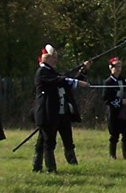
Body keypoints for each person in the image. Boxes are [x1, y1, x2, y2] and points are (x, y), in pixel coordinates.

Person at [32, 45, 87, 173]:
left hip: (56, 113)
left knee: (44, 141)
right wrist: (78, 83)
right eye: (53, 57)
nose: (55, 60)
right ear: (46, 58)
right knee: (48, 142)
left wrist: (83, 70)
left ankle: (38, 167)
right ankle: (50, 169)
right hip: (46, 113)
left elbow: (65, 81)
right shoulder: (42, 72)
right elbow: (60, 81)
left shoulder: (51, 72)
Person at [103, 56, 126, 159]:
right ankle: (112, 155)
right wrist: (120, 102)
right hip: (114, 111)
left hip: (125, 110)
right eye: (116, 66)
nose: (118, 69)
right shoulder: (108, 82)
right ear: (110, 67)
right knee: (114, 133)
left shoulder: (123, 80)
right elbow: (106, 98)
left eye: (120, 66)